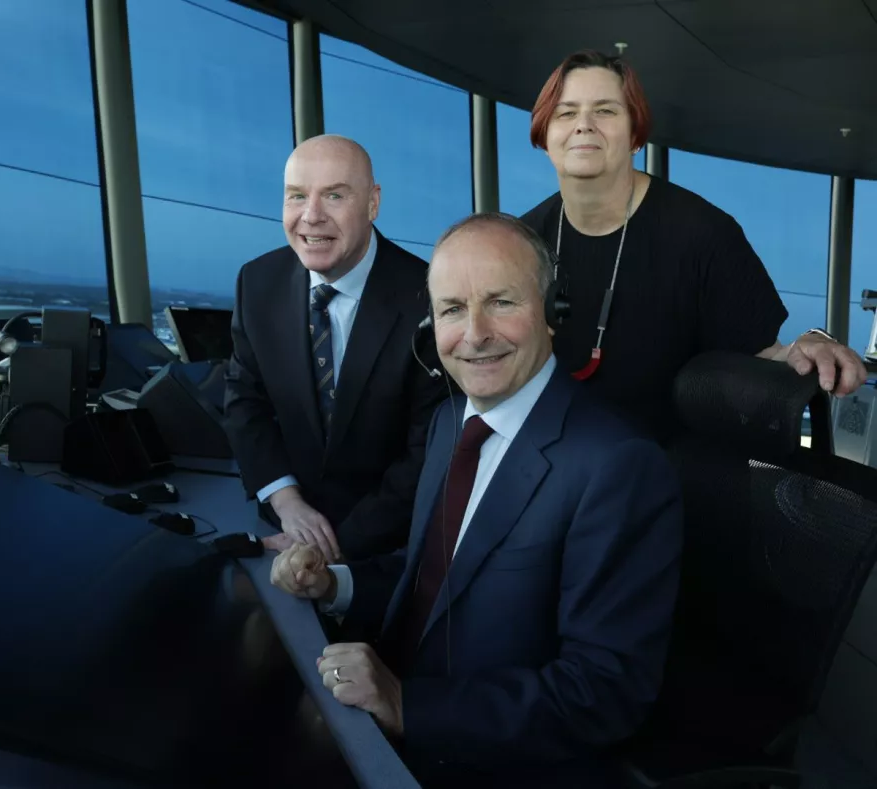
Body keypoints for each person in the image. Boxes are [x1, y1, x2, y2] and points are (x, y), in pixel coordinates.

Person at [270, 212, 684, 787]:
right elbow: (437, 576)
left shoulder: (617, 466)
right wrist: (336, 583)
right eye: (452, 310)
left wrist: (407, 705)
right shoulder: (451, 422)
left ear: (552, 313)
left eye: (501, 303)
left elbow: (604, 691)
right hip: (387, 714)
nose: (475, 334)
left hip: (485, 757)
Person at [520, 49, 868, 444]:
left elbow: (763, 355)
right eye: (566, 113)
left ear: (635, 136)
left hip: (668, 472)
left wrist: (807, 345)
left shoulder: (703, 233)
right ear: (545, 137)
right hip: (551, 462)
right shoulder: (520, 243)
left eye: (605, 111)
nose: (583, 125)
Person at [223, 135, 446, 562]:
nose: (311, 216)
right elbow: (244, 404)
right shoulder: (257, 283)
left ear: (373, 203)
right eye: (296, 197)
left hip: (390, 549)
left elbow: (429, 449)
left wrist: (335, 546)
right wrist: (287, 503)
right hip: (283, 531)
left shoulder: (430, 297)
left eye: (334, 195)